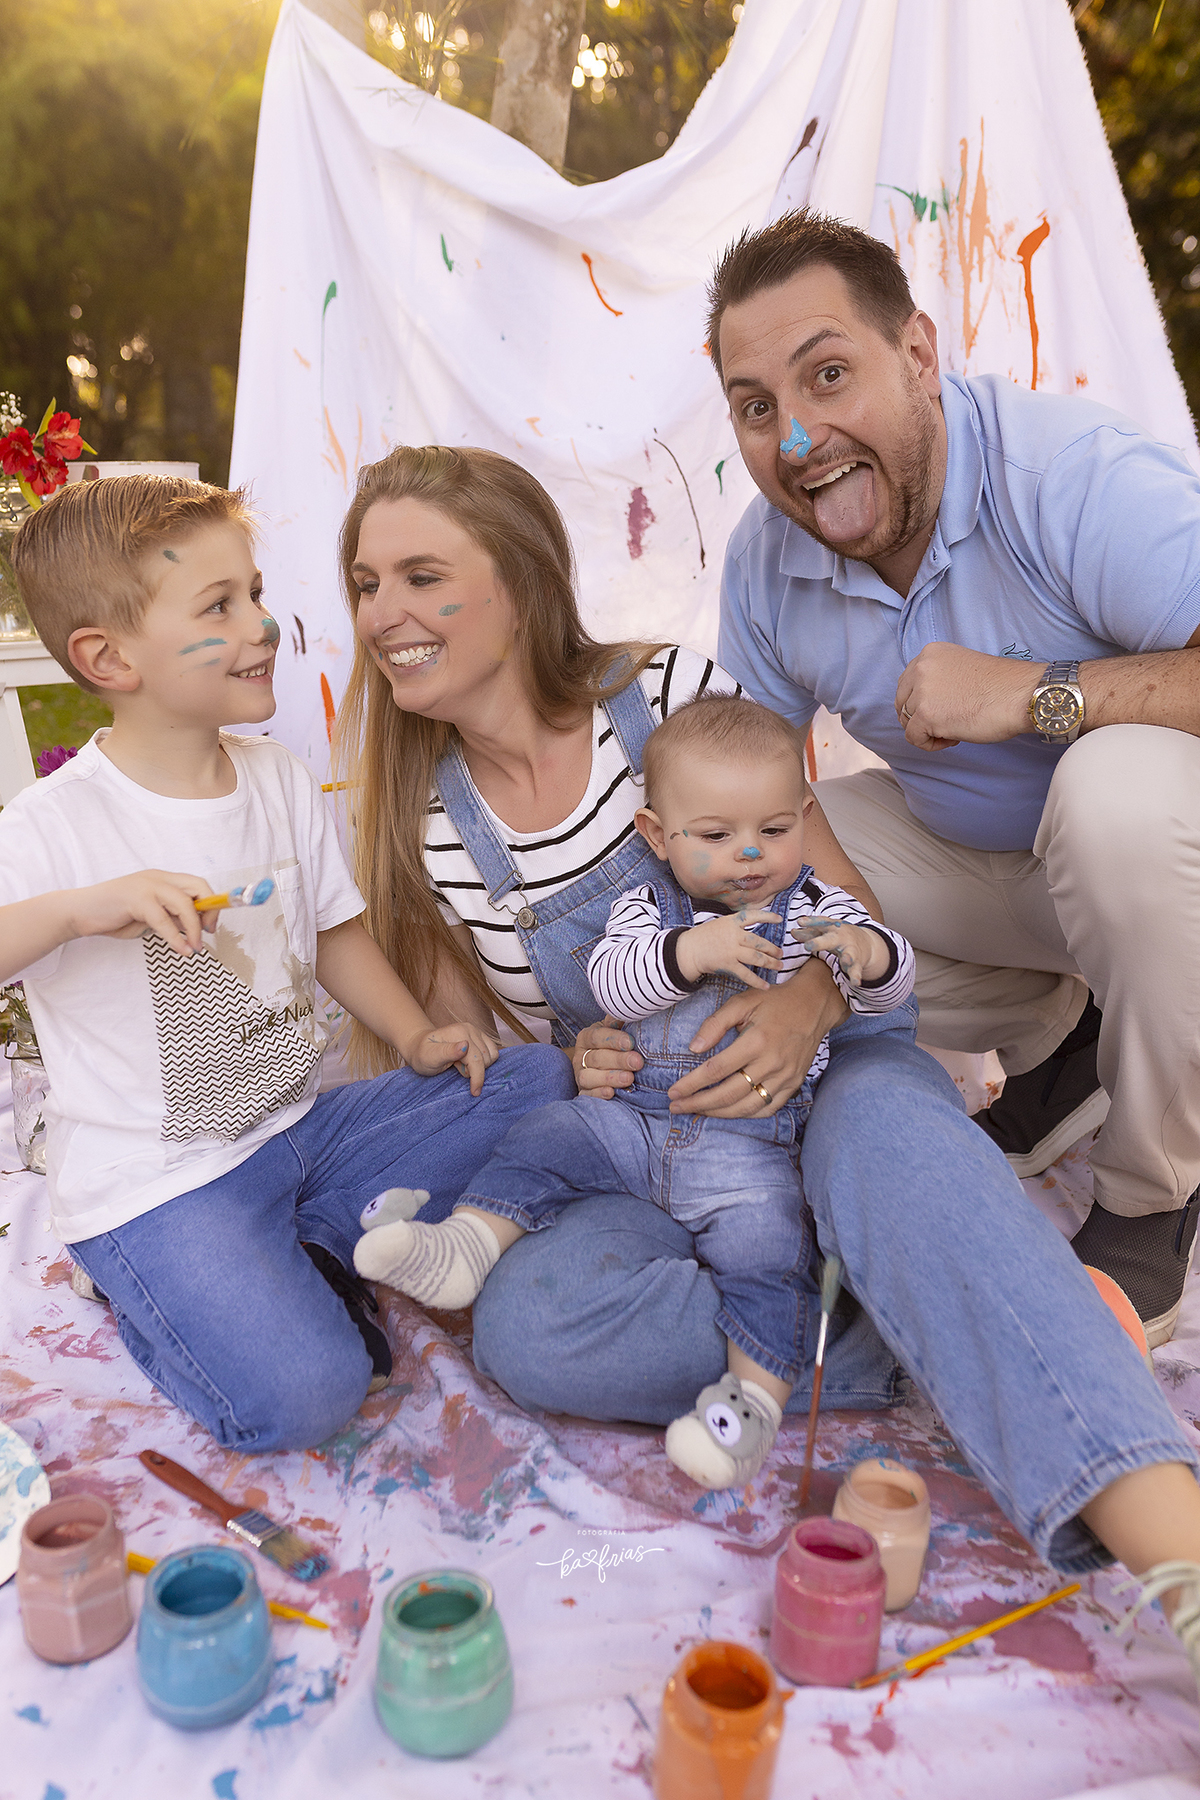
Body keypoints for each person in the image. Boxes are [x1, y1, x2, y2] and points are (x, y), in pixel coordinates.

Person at [335, 441, 1200, 1686]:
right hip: (654, 1138)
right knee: (529, 1324)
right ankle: (949, 1309)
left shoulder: (668, 696)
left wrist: (807, 997)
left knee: (890, 1141)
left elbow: (856, 917)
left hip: (830, 1061)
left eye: (421, 575)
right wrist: (570, 1044)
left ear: (519, 580)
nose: (384, 616)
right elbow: (505, 1044)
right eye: (367, 584)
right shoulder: (422, 821)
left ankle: (1176, 1565)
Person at [1, 474, 572, 1453]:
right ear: (109, 657)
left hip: (301, 1132)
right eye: (219, 606)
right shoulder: (59, 821)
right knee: (310, 1395)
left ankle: (310, 1242)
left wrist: (413, 1034)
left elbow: (337, 931)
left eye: (256, 594)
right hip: (163, 1182)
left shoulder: (277, 778)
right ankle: (148, 1293)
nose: (263, 624)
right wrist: (82, 910)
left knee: (538, 1078)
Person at [711, 209, 1200, 1348]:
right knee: (753, 870)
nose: (797, 439)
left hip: (1168, 866)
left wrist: (1033, 693)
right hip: (1017, 886)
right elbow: (751, 791)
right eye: (757, 407)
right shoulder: (765, 560)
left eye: (828, 375)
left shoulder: (1074, 474)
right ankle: (1075, 1038)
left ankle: (1151, 1192)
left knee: (1114, 791)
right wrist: (831, 969)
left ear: (920, 355)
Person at [352, 693, 914, 1490]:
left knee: (770, 1255)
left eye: (775, 831)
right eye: (716, 837)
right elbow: (611, 977)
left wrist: (865, 955)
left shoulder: (817, 907)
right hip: (638, 1128)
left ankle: (748, 1407)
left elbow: (894, 984)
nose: (749, 855)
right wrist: (691, 952)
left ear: (804, 816)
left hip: (746, 1150)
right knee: (547, 1136)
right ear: (659, 835)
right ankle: (469, 1243)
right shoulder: (648, 908)